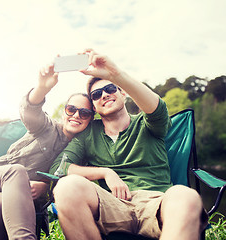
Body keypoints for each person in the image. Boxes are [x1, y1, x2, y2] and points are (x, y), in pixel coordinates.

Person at [49, 49, 208, 240]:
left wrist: (116, 75)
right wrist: (105, 172)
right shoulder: (89, 134)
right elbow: (60, 167)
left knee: (186, 197)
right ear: (94, 107)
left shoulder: (149, 123)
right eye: (97, 94)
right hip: (111, 206)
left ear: (123, 92)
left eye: (110, 89)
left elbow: (157, 108)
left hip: (156, 203)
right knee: (66, 188)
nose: (104, 95)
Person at [0, 62, 94, 240]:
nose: (76, 115)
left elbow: (72, 194)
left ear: (91, 119)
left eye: (84, 113)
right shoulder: (47, 128)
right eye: (71, 109)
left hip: (8, 209)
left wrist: (46, 189)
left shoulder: (81, 156)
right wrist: (42, 88)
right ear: (64, 112)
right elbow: (30, 110)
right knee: (16, 172)